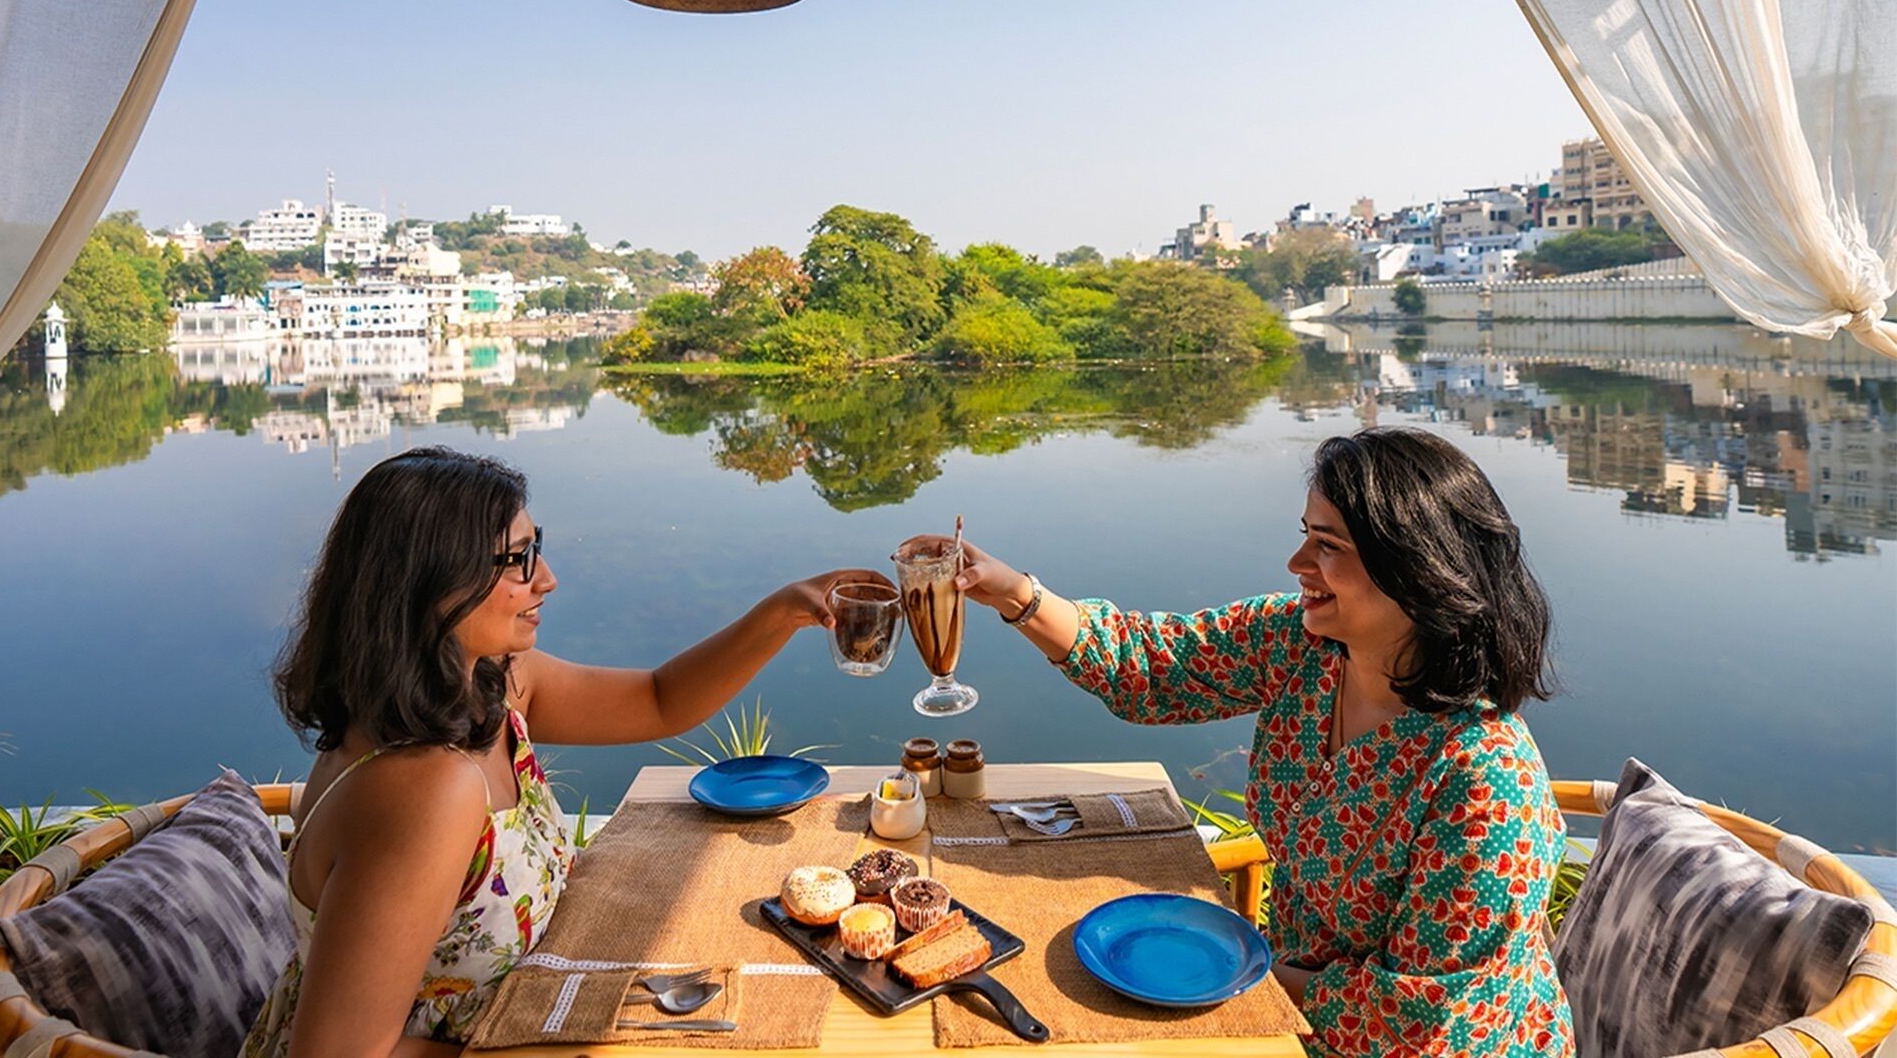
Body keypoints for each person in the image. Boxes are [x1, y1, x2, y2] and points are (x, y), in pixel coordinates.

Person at [912, 427, 1573, 1057]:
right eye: (1305, 536)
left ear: (1418, 571)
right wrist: (1013, 593)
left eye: (1327, 547)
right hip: (1276, 998)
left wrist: (1239, 977)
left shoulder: (1485, 780)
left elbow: (1421, 1024)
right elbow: (1154, 667)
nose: (1297, 564)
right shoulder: (1305, 646)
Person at [241, 446, 886, 1058]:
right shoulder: (424, 790)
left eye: (537, 548)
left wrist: (782, 612)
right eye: (517, 560)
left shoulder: (492, 683)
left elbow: (659, 700)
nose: (546, 579)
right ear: (430, 583)